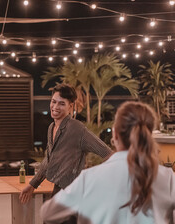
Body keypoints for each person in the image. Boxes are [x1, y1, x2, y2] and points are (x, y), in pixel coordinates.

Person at [41, 101, 175, 223]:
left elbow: (47, 214)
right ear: (148, 135)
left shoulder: (89, 179)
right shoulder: (168, 178)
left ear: (115, 134)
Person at [20, 84, 112, 203]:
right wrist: (33, 184)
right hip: (58, 190)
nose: (55, 106)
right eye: (53, 102)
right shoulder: (52, 127)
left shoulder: (77, 129)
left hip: (73, 194)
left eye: (62, 103)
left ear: (70, 106)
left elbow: (107, 153)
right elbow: (48, 160)